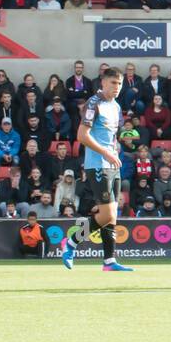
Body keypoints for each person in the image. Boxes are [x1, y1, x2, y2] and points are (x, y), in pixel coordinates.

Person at [61, 67, 133, 271]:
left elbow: (110, 135)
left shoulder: (117, 106)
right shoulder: (94, 103)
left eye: (119, 84)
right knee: (108, 214)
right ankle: (72, 241)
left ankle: (109, 261)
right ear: (103, 82)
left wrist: (115, 149)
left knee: (112, 215)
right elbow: (82, 136)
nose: (116, 88)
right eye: (113, 83)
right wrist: (106, 153)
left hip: (112, 162)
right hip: (98, 163)